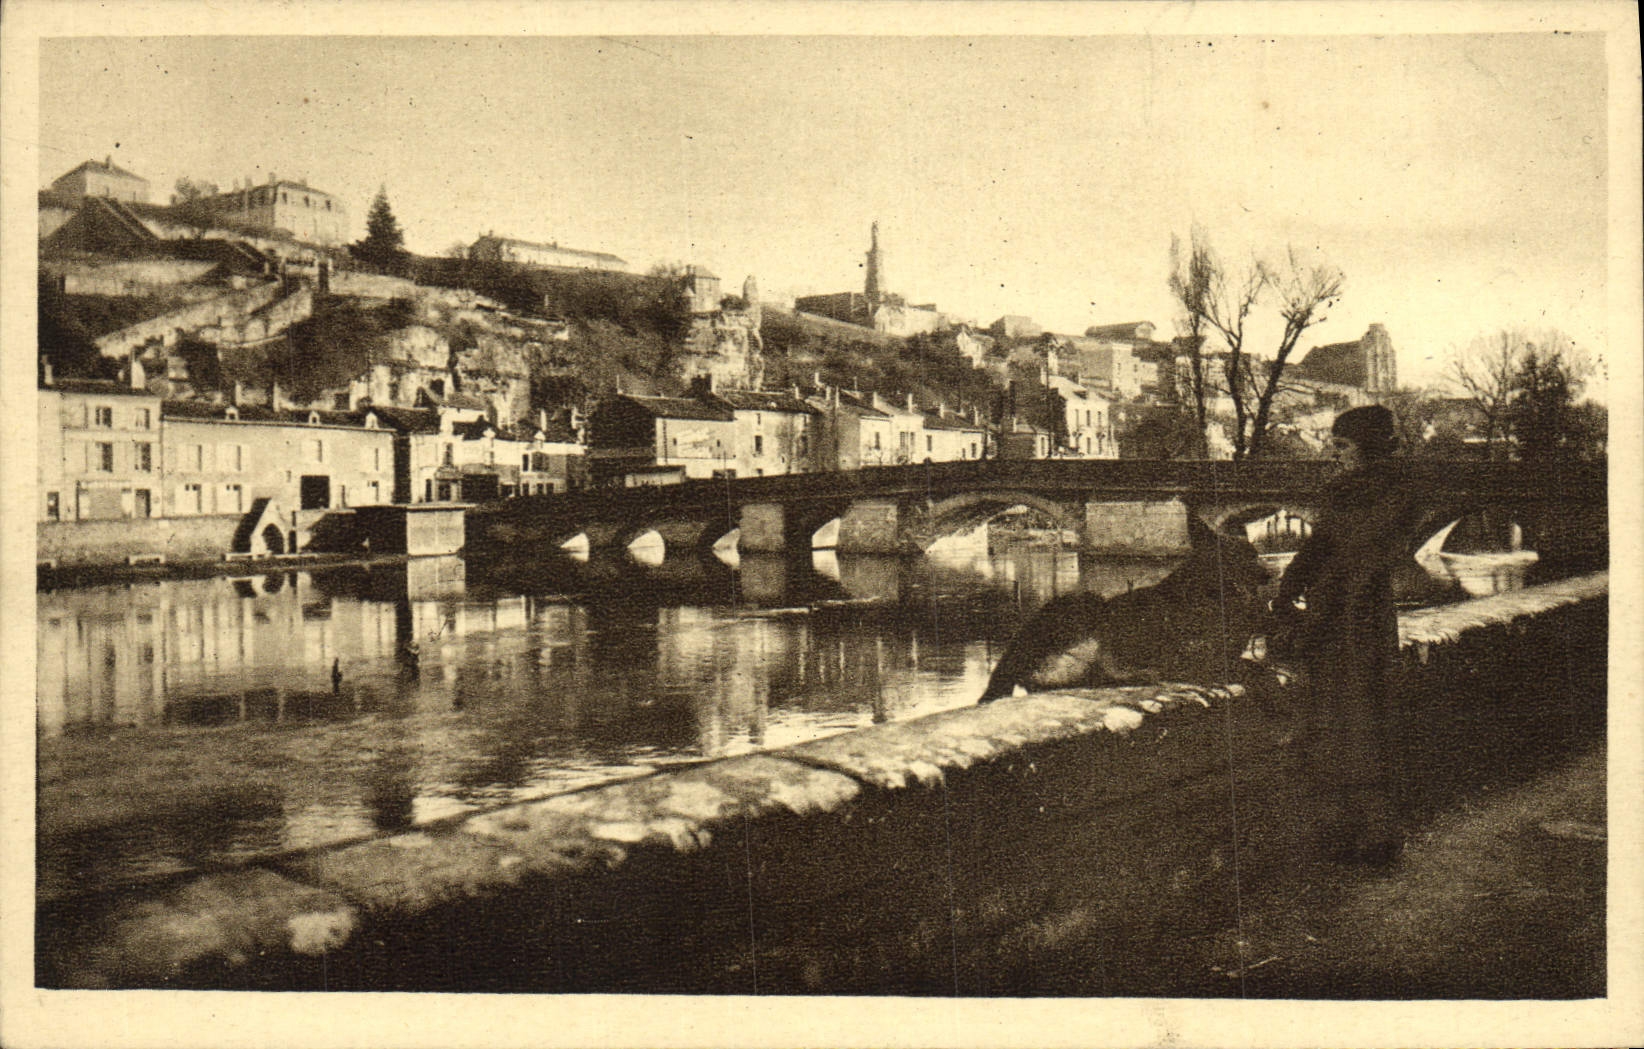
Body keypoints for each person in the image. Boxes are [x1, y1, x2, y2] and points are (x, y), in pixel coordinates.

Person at [1271, 405, 1424, 866]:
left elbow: (1356, 562)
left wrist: (1311, 614)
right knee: (1344, 719)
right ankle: (1351, 830)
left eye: (1341, 447)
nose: (1332, 454)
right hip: (1347, 618)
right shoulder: (1354, 491)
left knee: (1357, 719)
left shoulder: (1387, 493)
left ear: (1368, 449)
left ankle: (1374, 834)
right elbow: (1322, 547)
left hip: (1357, 620)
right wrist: (1290, 585)